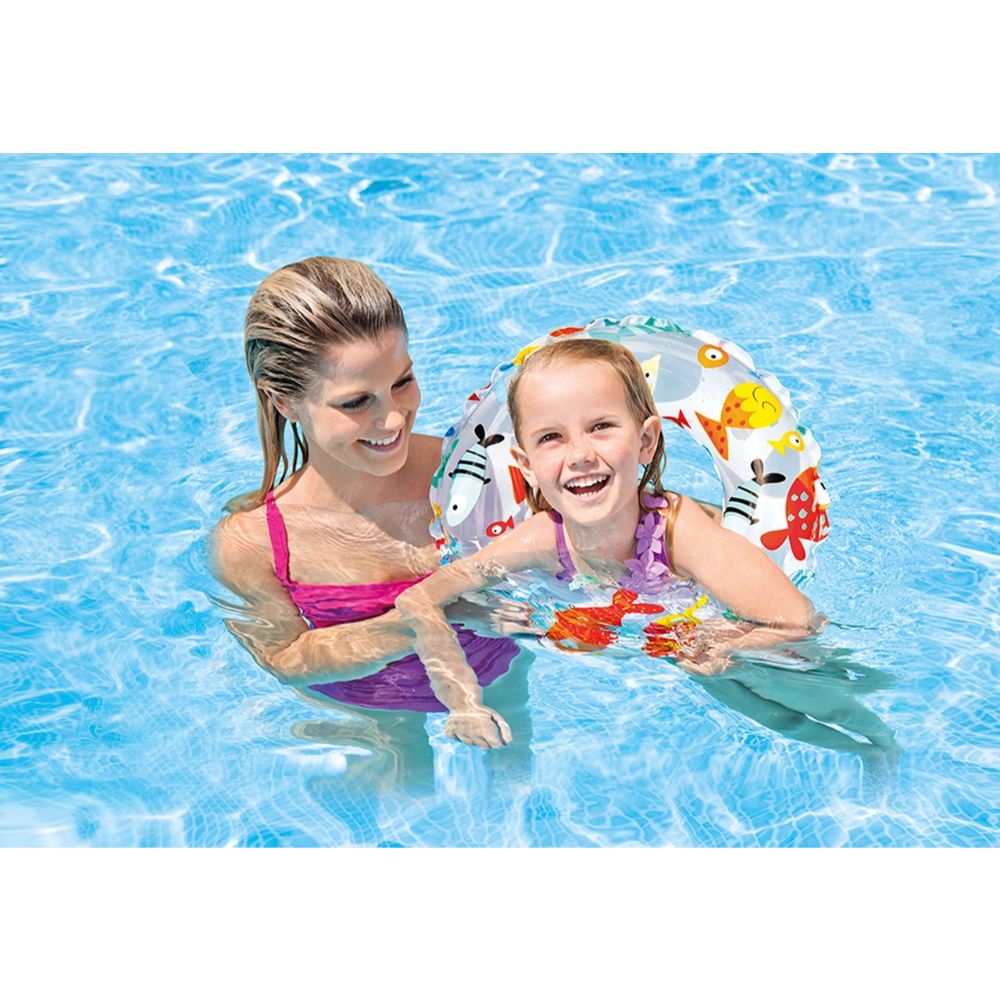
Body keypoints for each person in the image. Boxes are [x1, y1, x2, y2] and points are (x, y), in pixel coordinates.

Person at [395, 338, 821, 748]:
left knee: (811, 699)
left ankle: (862, 738)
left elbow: (799, 623)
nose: (580, 455)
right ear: (526, 465)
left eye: (600, 427)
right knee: (761, 711)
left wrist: (728, 645)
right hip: (658, 660)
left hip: (750, 653)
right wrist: (463, 701)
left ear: (646, 441)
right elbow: (420, 599)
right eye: (551, 437)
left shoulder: (681, 534)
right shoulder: (544, 537)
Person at [210, 256, 523, 714]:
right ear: (284, 401)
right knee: (398, 760)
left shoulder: (475, 472)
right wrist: (420, 618)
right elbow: (283, 657)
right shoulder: (254, 543)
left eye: (403, 381)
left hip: (498, 676)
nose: (392, 419)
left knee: (517, 756)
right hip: (368, 712)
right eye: (356, 402)